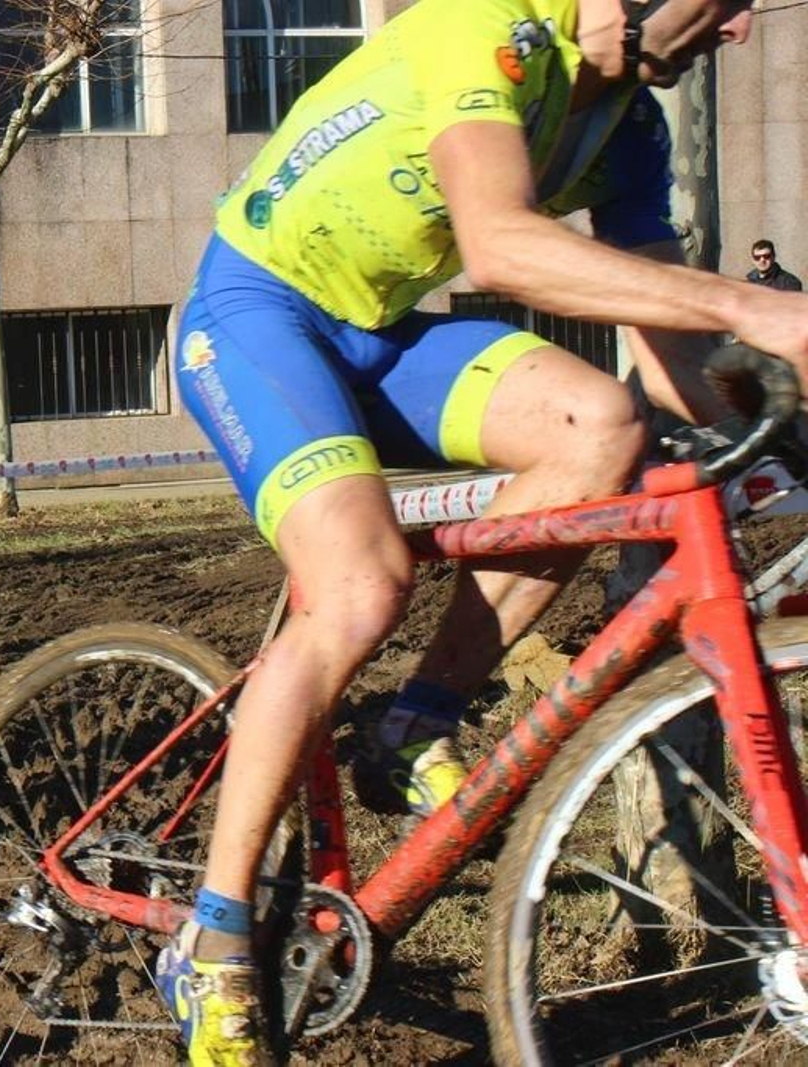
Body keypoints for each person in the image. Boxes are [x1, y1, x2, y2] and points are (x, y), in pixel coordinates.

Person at [162, 1, 808, 1063]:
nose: (738, 30)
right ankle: (215, 935)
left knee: (601, 424)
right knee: (361, 583)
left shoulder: (628, 128)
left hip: (378, 333)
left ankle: (414, 719)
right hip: (255, 315)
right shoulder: (484, 27)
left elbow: (671, 365)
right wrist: (750, 305)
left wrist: (785, 415)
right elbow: (498, 244)